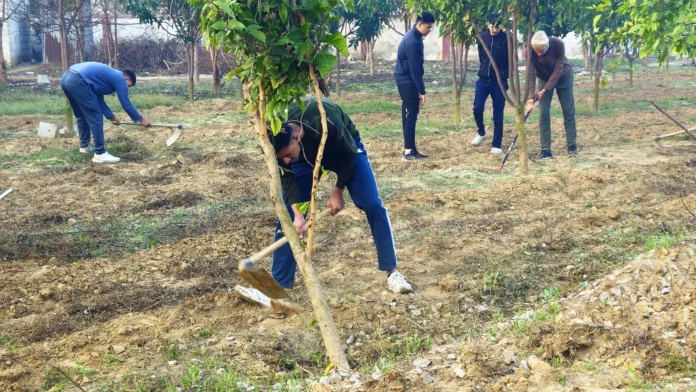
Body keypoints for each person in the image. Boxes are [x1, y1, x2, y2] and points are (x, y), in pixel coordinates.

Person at [238, 97, 414, 309]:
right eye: (281, 158)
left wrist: (338, 190)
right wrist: (297, 213)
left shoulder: (325, 119)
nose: (285, 160)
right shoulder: (278, 131)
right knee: (285, 213)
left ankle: (392, 272)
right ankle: (277, 289)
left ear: (296, 137)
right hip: (303, 158)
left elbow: (349, 155)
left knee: (371, 203)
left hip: (345, 149)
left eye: (285, 155)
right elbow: (286, 175)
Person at [61, 62, 152, 163]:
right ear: (128, 79)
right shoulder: (120, 78)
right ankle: (100, 153)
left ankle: (84, 147)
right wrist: (141, 119)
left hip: (67, 78)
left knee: (81, 115)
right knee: (95, 115)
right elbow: (126, 104)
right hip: (79, 80)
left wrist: (111, 116)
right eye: (128, 86)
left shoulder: (107, 77)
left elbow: (97, 97)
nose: (126, 88)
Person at [524, 31, 578, 159]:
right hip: (543, 79)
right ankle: (546, 150)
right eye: (536, 51)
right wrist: (530, 100)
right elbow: (531, 74)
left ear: (547, 47)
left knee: (568, 111)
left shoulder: (558, 45)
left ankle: (572, 146)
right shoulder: (529, 51)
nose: (538, 54)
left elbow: (558, 70)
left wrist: (545, 90)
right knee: (543, 114)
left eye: (541, 51)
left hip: (563, 78)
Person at [394, 11, 435, 161]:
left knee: (408, 114)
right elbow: (414, 69)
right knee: (411, 114)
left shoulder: (416, 37)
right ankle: (408, 152)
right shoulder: (412, 41)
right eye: (428, 27)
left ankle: (411, 149)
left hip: (406, 79)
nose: (430, 30)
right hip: (406, 80)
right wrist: (421, 91)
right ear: (419, 24)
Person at [471, 13, 509, 154]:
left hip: (499, 82)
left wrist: (504, 77)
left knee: (498, 113)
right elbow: (482, 57)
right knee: (477, 108)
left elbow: (510, 59)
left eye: (498, 27)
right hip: (483, 80)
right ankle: (481, 132)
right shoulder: (482, 37)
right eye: (492, 27)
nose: (495, 30)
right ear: (488, 24)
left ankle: (496, 145)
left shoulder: (506, 38)